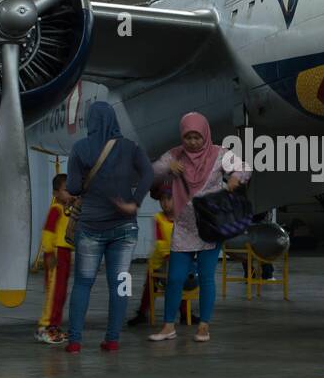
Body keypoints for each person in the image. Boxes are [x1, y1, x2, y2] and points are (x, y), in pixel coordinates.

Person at [149, 112, 249, 344]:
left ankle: (203, 325)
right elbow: (152, 171)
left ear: (205, 135)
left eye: (197, 137)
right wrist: (167, 168)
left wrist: (236, 178)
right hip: (183, 227)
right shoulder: (174, 155)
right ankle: (168, 326)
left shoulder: (219, 154)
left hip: (209, 227)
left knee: (206, 277)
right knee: (174, 278)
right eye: (188, 137)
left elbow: (245, 167)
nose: (193, 142)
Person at [65, 101, 152, 353]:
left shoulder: (80, 149)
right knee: (121, 283)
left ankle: (75, 341)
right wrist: (134, 202)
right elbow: (147, 174)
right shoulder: (130, 148)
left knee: (83, 283)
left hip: (90, 227)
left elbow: (72, 188)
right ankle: (112, 339)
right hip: (125, 228)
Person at [127, 189, 183, 328]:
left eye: (168, 199)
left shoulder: (182, 218)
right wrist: (168, 255)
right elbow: (160, 241)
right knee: (149, 289)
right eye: (162, 200)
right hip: (159, 262)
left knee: (183, 285)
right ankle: (142, 313)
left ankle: (185, 313)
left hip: (177, 259)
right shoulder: (158, 218)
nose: (164, 203)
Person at [36, 173, 73, 345]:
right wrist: (49, 253)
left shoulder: (70, 210)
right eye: (66, 190)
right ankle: (44, 326)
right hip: (56, 254)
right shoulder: (56, 209)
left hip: (66, 254)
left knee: (61, 293)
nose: (70, 194)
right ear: (55, 193)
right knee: (53, 293)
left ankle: (55, 325)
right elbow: (48, 232)